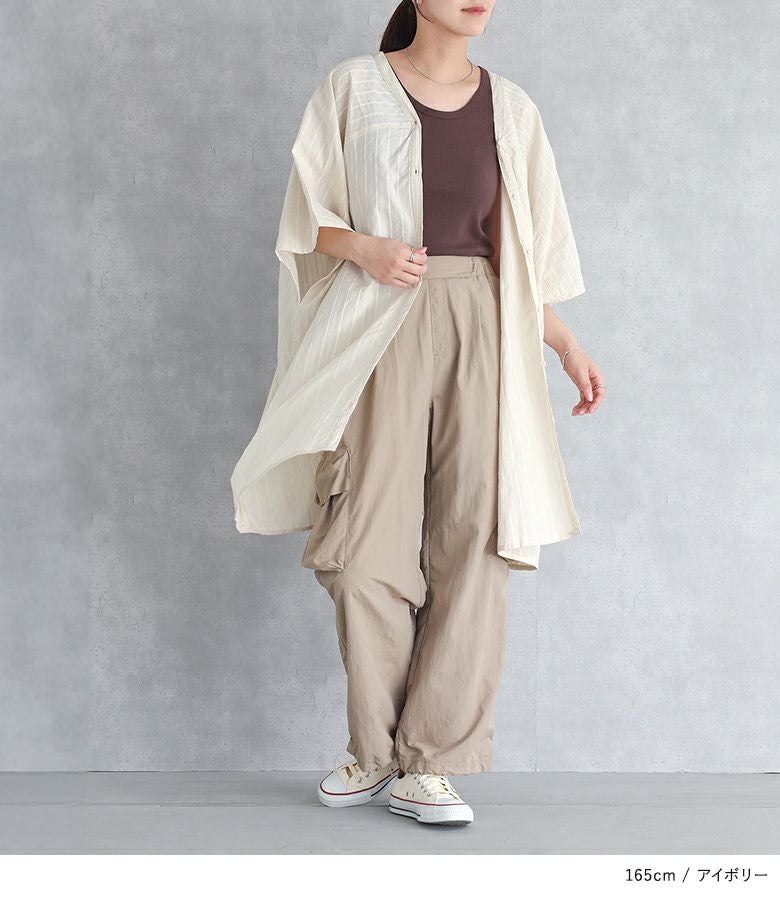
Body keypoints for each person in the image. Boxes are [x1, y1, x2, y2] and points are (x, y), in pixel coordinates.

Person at [231, 0, 605, 827]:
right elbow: (304, 218)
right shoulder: (353, 89)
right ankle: (376, 749)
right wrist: (365, 247)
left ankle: (431, 765)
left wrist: (567, 346)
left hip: (484, 322)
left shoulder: (512, 108)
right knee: (363, 539)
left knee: (477, 536)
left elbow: (521, 256)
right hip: (377, 319)